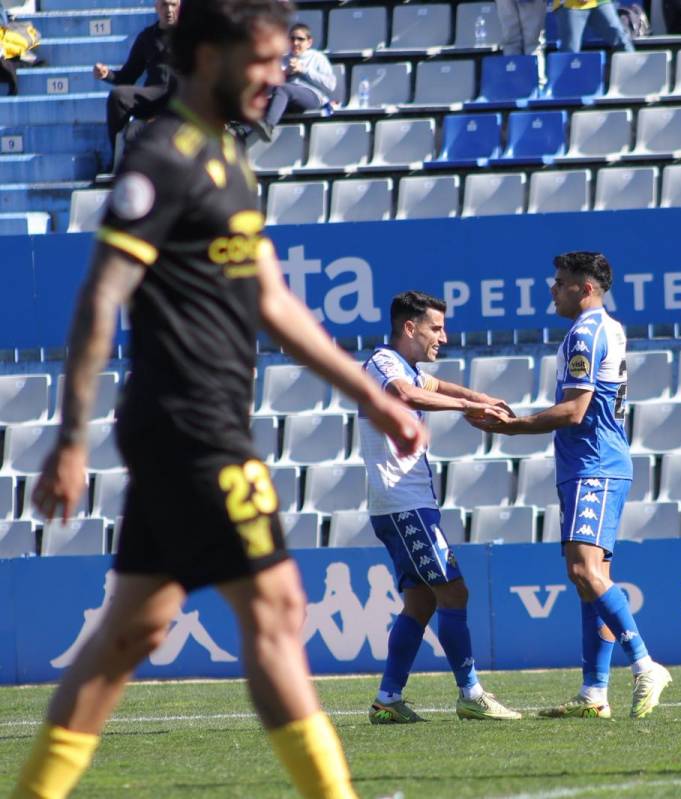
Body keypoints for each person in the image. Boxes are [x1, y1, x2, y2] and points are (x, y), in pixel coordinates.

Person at [9, 2, 428, 798]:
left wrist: (370, 398)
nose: (280, 74)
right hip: (190, 425)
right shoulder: (160, 158)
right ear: (209, 57)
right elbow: (101, 297)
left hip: (192, 426)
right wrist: (69, 438)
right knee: (275, 608)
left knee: (133, 629)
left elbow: (271, 300)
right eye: (264, 60)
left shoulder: (229, 158)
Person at [470, 252, 672, 720]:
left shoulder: (585, 333)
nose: (553, 289)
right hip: (593, 463)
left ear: (586, 288)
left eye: (561, 282)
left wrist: (513, 426)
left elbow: (575, 410)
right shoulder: (607, 329)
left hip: (593, 465)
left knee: (584, 571)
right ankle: (593, 692)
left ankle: (644, 665)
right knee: (591, 580)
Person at [363, 291, 523, 724]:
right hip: (404, 505)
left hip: (404, 505)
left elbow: (432, 386)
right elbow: (406, 394)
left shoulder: (408, 367)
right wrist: (470, 406)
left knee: (420, 602)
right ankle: (471, 694)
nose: (444, 337)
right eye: (436, 328)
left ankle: (387, 698)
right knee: (454, 592)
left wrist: (479, 397)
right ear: (409, 327)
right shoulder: (383, 363)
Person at [94, 0, 179, 157]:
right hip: (153, 94)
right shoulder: (147, 37)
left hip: (181, 96)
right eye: (164, 5)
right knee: (118, 96)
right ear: (156, 7)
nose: (169, 10)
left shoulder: (191, 35)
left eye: (173, 5)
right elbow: (128, 76)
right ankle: (118, 158)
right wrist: (107, 74)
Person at [252, 22, 335, 141]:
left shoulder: (317, 58)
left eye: (300, 39)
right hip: (285, 99)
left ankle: (268, 126)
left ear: (309, 42)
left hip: (312, 97)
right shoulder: (282, 59)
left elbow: (330, 85)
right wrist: (285, 73)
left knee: (284, 88)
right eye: (292, 39)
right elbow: (267, 89)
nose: (295, 43)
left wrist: (303, 70)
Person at [552, 0, 633, 54]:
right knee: (571, 48)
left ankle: (633, 70)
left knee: (620, 37)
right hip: (569, 4)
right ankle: (568, 75)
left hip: (600, 2)